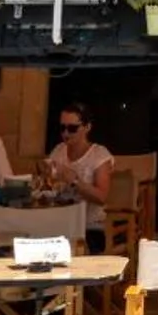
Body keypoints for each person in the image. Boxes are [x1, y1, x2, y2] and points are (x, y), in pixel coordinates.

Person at [35, 105, 113, 248]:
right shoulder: (59, 150)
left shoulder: (99, 155)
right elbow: (47, 184)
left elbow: (102, 197)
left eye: (72, 128)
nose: (66, 133)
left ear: (87, 127)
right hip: (59, 223)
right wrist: (44, 176)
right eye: (62, 128)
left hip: (89, 227)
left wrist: (74, 180)